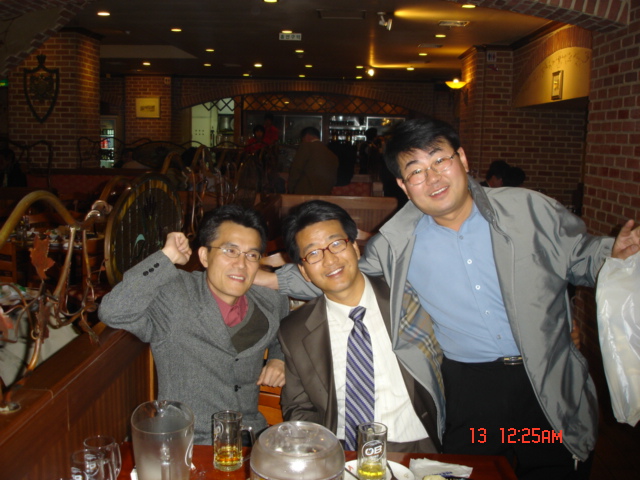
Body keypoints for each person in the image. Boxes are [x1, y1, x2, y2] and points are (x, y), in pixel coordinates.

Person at [264, 118, 640, 479]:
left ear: (461, 158)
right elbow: (339, 274)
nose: (432, 178)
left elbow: (581, 255)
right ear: (403, 185)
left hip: (546, 377)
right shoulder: (397, 243)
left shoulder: (527, 209)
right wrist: (257, 276)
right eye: (416, 171)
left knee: (553, 465)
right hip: (471, 389)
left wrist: (612, 254)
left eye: (440, 160)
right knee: (473, 470)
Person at [98, 205, 289, 445]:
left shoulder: (270, 300)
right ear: (204, 256)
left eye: (251, 255)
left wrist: (279, 358)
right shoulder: (174, 293)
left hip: (250, 436)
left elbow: (285, 329)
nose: (241, 264)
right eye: (230, 251)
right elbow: (114, 311)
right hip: (188, 440)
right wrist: (166, 258)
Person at [277, 200, 438, 453]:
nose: (330, 260)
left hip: (416, 445)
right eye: (314, 253)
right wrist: (320, 453)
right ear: (304, 271)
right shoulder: (294, 331)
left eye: (336, 244)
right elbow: (299, 407)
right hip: (341, 452)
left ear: (355, 247)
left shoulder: (407, 298)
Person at [288, 126, 338, 195]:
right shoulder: (332, 154)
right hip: (325, 194)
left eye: (302, 139)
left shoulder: (306, 146)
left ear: (307, 136)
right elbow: (333, 180)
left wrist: (291, 190)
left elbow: (296, 170)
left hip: (304, 194)